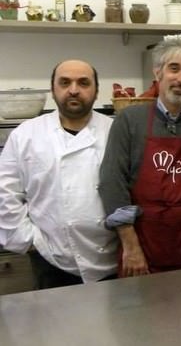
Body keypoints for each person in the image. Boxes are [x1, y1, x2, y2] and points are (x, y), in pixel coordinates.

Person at [99, 37, 181, 277]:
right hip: (142, 250)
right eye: (174, 68)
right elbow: (112, 182)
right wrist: (131, 247)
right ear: (157, 72)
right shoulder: (129, 120)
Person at [0, 60, 117, 289]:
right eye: (65, 82)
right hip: (50, 258)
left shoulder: (115, 130)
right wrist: (30, 240)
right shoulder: (26, 134)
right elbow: (5, 193)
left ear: (96, 90)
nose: (74, 89)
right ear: (53, 89)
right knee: (53, 323)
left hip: (111, 257)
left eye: (84, 83)